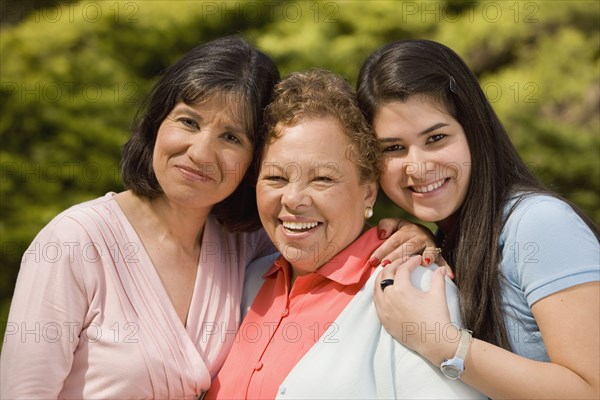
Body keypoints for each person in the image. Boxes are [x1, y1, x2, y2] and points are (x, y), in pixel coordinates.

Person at [0, 36, 280, 399]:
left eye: (231, 137)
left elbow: (335, 259)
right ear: (157, 123)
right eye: (189, 122)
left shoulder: (249, 245)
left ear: (256, 159)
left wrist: (379, 237)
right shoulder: (75, 241)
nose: (200, 153)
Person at [205, 69, 484, 399]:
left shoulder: (415, 285)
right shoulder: (247, 280)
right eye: (276, 178)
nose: (293, 199)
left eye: (322, 178)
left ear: (368, 192)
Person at [357, 39, 600, 399]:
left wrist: (442, 343)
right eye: (393, 148)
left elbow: (591, 389)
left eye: (436, 138)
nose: (419, 166)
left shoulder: (539, 224)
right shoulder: (448, 240)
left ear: (474, 131)